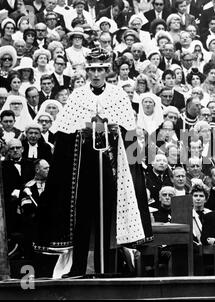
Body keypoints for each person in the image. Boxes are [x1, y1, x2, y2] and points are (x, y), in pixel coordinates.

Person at [33, 47, 152, 277]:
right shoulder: (78, 95)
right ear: (87, 71)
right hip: (84, 167)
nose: (96, 74)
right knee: (82, 217)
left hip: (111, 167)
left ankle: (107, 268)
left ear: (107, 71)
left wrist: (117, 132)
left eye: (100, 69)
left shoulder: (118, 95)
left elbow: (130, 135)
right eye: (92, 70)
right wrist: (83, 130)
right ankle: (78, 268)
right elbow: (64, 134)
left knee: (108, 218)